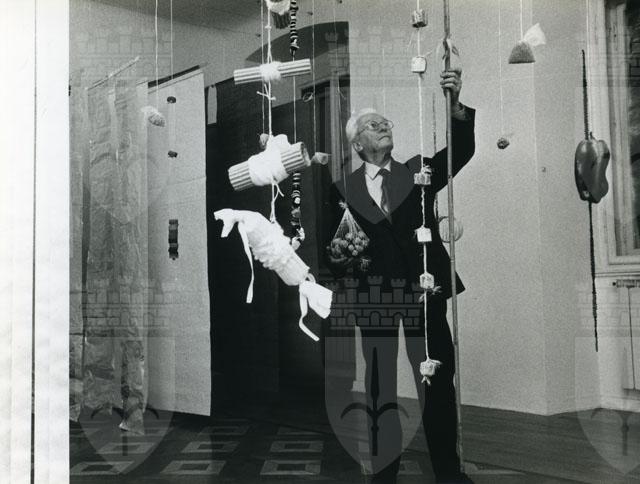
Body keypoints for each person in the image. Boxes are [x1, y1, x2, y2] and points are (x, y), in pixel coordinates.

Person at [324, 67, 475, 484]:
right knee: (379, 390)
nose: (384, 126)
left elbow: (461, 150)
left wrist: (456, 105)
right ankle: (383, 474)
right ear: (358, 144)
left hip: (425, 293)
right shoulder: (342, 191)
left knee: (437, 384)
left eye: (386, 122)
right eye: (374, 125)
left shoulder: (418, 171)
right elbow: (337, 253)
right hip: (376, 299)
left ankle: (448, 473)